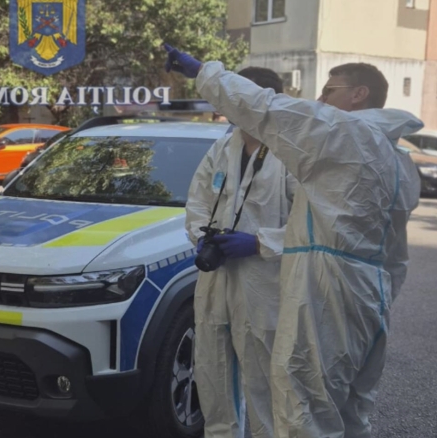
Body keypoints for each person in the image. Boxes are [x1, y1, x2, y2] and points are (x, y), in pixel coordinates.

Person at [164, 44, 421, 438]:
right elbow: (395, 258)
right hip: (365, 295)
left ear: (359, 94)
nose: (320, 99)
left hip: (318, 292)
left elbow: (268, 108)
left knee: (302, 408)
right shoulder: (395, 158)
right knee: (346, 411)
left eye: (329, 90)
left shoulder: (343, 136)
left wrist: (204, 71)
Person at [186, 66, 297, 438]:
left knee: (266, 385)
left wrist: (261, 243)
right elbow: (198, 200)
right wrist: (200, 236)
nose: (228, 106)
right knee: (213, 377)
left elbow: (312, 224)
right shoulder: (223, 147)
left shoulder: (291, 152)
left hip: (265, 285)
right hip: (216, 280)